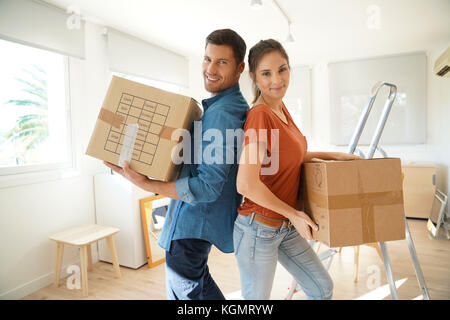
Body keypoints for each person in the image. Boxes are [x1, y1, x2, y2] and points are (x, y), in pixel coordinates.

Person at [104, 29, 249, 300]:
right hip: (194, 227)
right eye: (207, 59)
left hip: (192, 228)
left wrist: (147, 183)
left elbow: (208, 186)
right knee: (197, 287)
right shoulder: (224, 107)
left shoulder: (222, 114)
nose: (210, 69)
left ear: (240, 68)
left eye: (222, 62)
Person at [234, 39, 360, 300]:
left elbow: (291, 157)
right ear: (254, 78)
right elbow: (245, 184)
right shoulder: (260, 115)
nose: (276, 80)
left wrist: (334, 155)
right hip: (259, 228)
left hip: (283, 226)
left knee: (321, 287)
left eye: (282, 69)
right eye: (266, 73)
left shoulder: (280, 110)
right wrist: (294, 215)